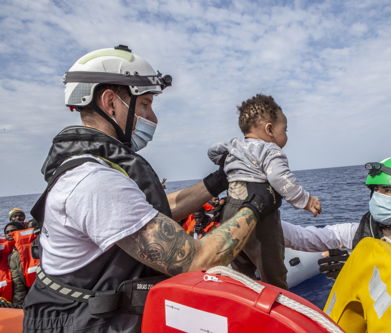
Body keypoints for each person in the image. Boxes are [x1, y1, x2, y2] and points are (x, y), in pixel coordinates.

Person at [23, 45, 280, 333]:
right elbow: (195, 260)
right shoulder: (96, 182)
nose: (152, 117)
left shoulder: (87, 168)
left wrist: (217, 181)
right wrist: (256, 205)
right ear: (110, 103)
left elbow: (145, 214)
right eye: (145, 104)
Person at [208, 94, 322, 289]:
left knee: (240, 264)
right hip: (259, 217)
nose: (286, 134)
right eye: (284, 129)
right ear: (269, 129)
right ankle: (278, 297)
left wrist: (226, 162)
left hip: (229, 211)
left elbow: (213, 151)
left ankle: (245, 294)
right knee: (272, 267)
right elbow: (279, 178)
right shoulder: (270, 150)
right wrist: (305, 200)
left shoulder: (234, 146)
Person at [282, 156, 391, 278]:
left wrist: (358, 271)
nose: (378, 196)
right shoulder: (354, 233)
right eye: (376, 190)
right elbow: (300, 237)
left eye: (387, 190)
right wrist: (261, 213)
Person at [3, 222, 27, 306]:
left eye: (13, 231)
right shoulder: (10, 254)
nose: (10, 234)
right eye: (7, 232)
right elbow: (18, 283)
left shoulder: (33, 247)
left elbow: (19, 286)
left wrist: (18, 305)